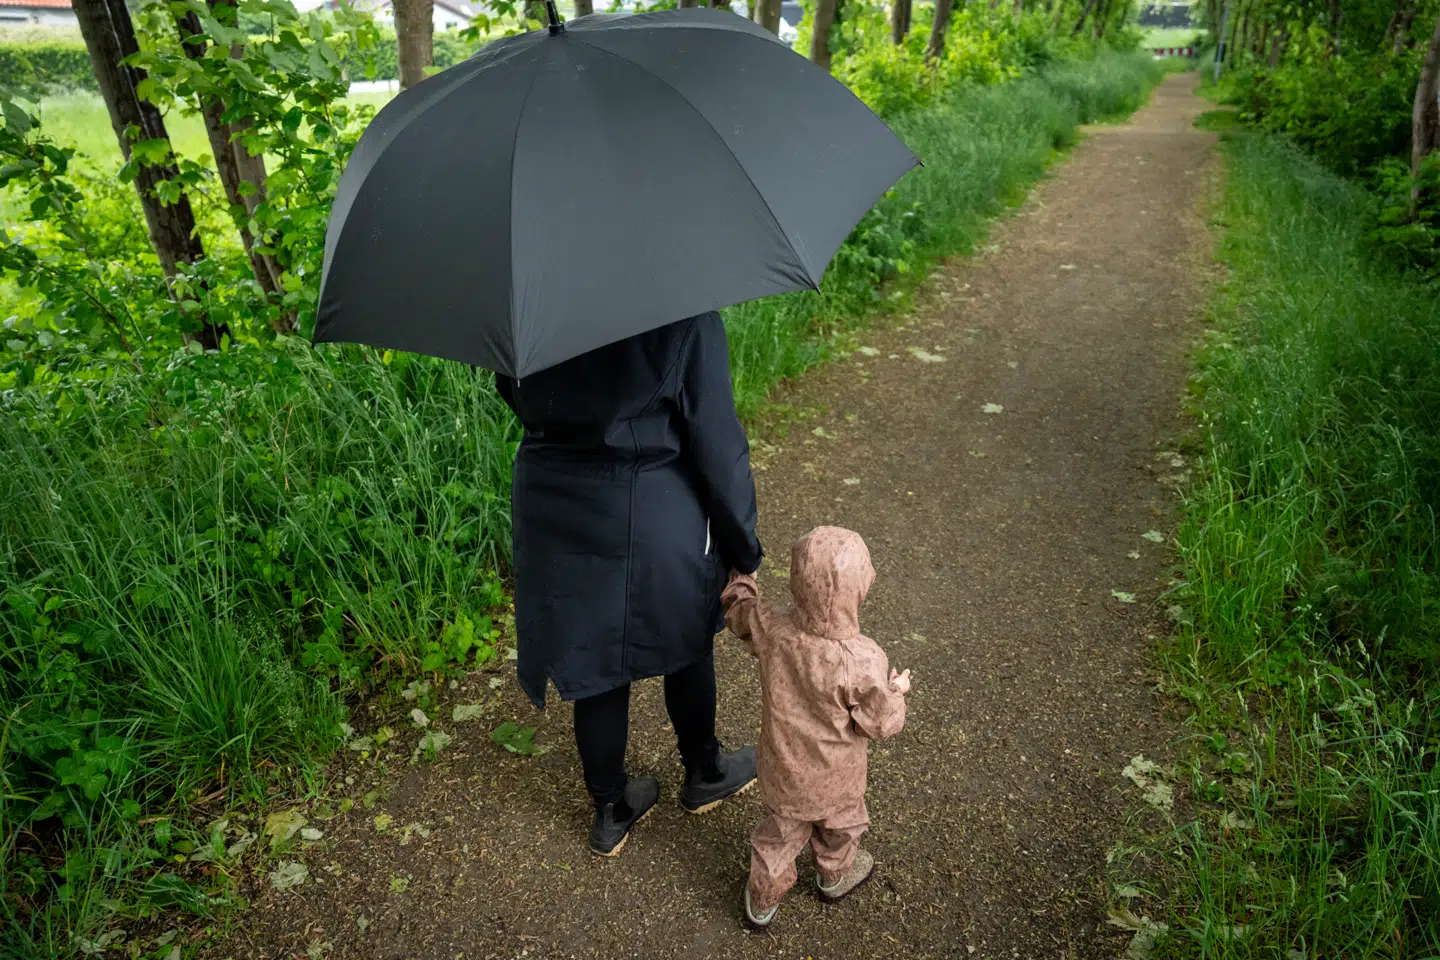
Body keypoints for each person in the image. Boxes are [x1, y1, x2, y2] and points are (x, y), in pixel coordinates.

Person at [495, 312, 763, 857]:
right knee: (688, 633)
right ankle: (704, 771)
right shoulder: (683, 311)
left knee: (591, 653)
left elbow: (511, 388)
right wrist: (744, 548)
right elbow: (716, 443)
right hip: (651, 502)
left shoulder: (528, 307)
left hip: (555, 504)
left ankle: (610, 810)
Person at [721, 526, 911, 929]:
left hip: (784, 772)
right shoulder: (863, 659)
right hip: (838, 780)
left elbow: (741, 611)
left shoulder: (773, 628)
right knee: (843, 827)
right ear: (860, 589)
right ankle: (834, 876)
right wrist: (895, 689)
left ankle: (762, 902)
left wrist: (742, 579)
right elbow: (880, 722)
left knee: (778, 838)